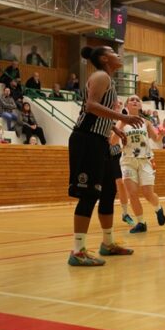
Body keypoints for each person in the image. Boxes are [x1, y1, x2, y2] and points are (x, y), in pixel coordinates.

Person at [67, 45, 142, 267]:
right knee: (89, 194)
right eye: (113, 52)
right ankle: (78, 250)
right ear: (104, 58)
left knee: (108, 191)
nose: (118, 55)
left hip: (100, 140)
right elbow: (91, 106)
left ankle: (107, 243)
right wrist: (123, 118)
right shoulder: (101, 76)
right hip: (86, 140)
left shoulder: (108, 79)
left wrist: (114, 128)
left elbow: (99, 112)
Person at [111, 95, 165, 234]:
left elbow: (156, 139)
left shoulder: (146, 122)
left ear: (140, 105)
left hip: (145, 160)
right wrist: (122, 124)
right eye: (132, 100)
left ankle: (158, 208)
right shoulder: (120, 122)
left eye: (137, 100)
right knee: (132, 194)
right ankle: (141, 223)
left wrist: (161, 134)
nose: (135, 101)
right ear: (127, 106)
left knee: (148, 194)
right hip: (127, 162)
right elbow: (112, 141)